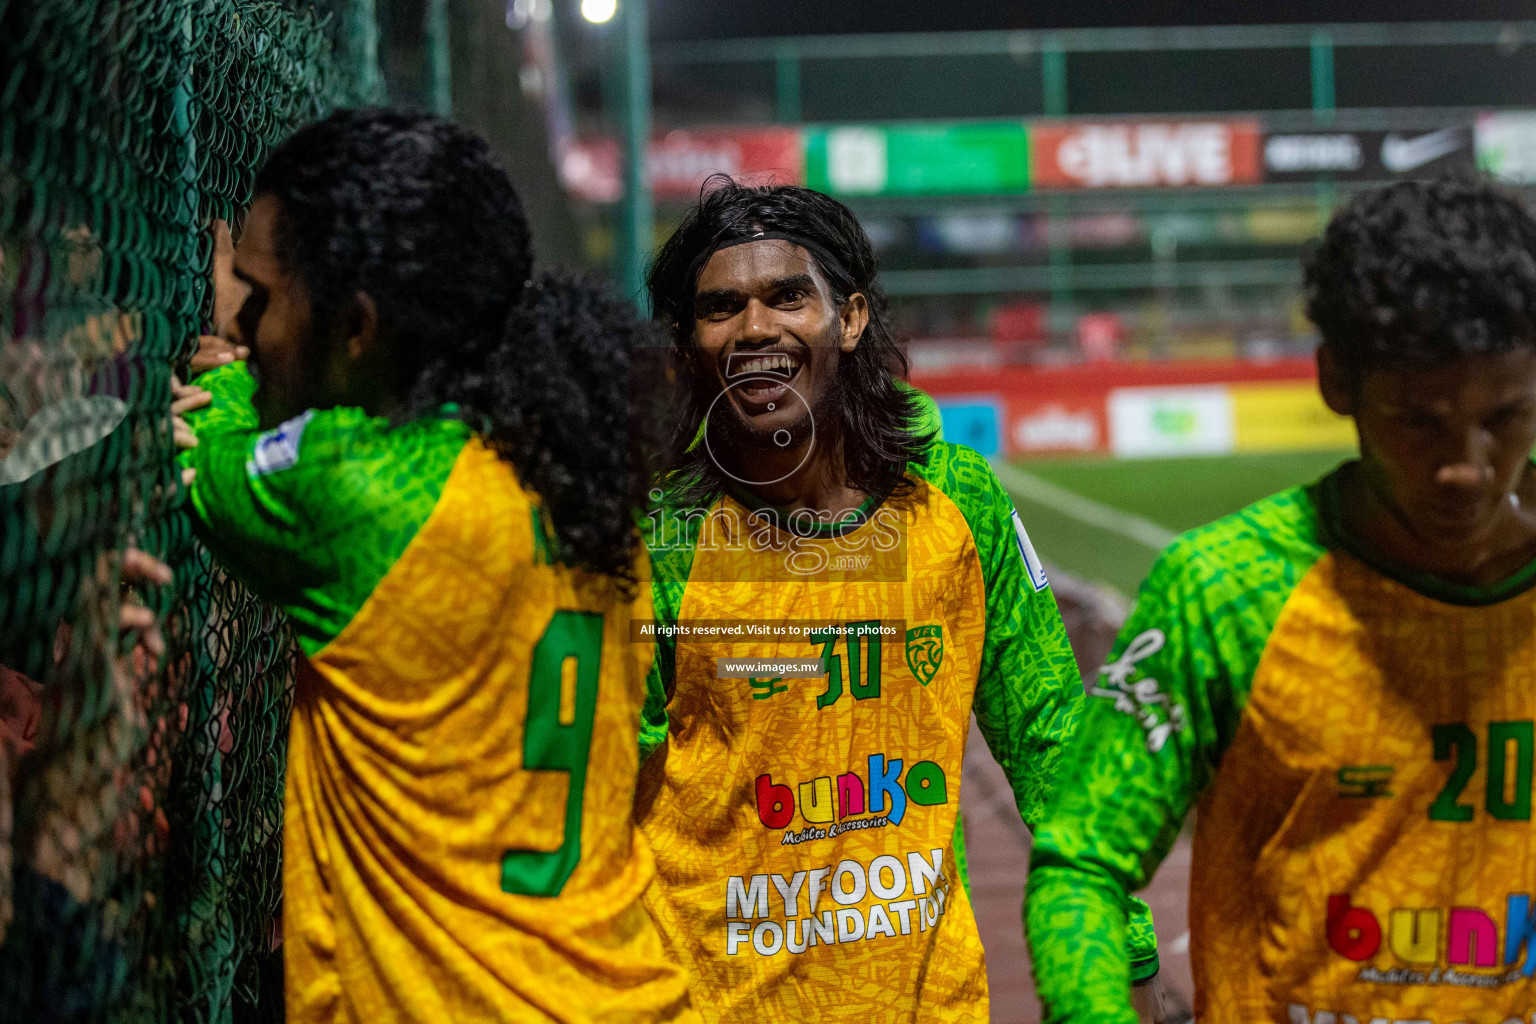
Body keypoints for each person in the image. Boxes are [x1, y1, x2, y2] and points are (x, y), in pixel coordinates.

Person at [175, 108, 696, 1023]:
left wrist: (218, 360)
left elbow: (203, 464)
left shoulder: (357, 483)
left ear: (357, 328)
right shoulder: (579, 486)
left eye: (260, 296)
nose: (248, 320)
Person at [634, 177, 1163, 1023]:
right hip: (708, 1002)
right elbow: (605, 783)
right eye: (721, 307)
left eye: (787, 297)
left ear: (848, 318)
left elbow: (1049, 734)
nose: (755, 328)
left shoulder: (957, 499)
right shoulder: (659, 535)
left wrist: (1127, 949)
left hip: (930, 1001)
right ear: (687, 341)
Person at [1025, 175, 1536, 1024]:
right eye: (1419, 421)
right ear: (1337, 380)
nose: (1467, 467)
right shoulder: (1225, 591)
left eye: (1508, 416)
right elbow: (1083, 863)